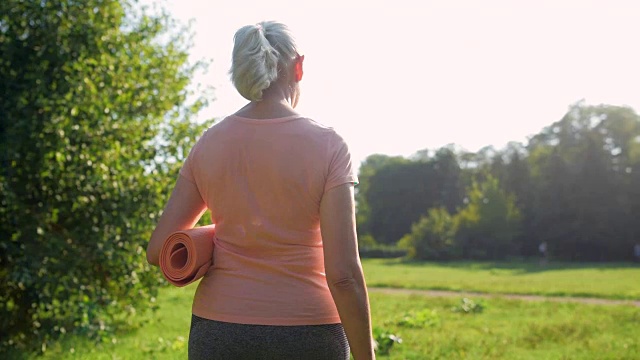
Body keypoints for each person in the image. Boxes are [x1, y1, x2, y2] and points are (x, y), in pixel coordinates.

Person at [146, 21, 375, 360]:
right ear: (298, 67)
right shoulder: (329, 146)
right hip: (310, 333)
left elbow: (156, 251)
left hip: (219, 331)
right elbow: (343, 276)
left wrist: (215, 235)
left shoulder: (208, 143)